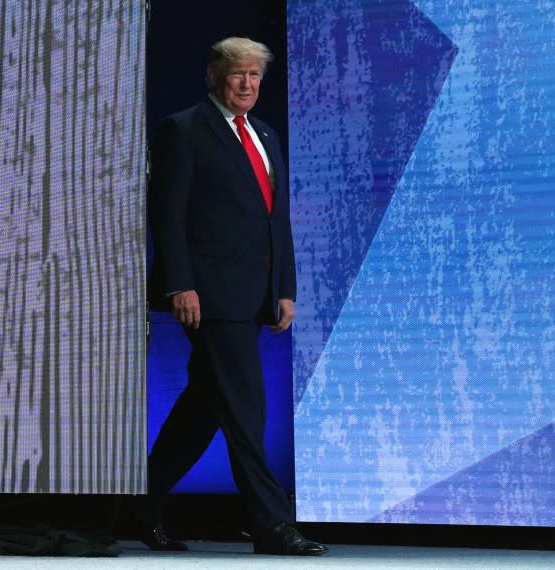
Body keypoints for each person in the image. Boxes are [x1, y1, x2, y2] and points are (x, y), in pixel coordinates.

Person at [144, 37, 328, 556]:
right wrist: (181, 283)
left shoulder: (265, 134)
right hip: (208, 295)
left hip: (253, 294)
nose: (246, 85)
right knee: (246, 406)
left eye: (254, 76)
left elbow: (277, 221)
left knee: (204, 407)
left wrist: (284, 289)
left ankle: (139, 505)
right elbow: (169, 215)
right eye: (236, 75)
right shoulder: (184, 129)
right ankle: (270, 524)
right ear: (215, 77)